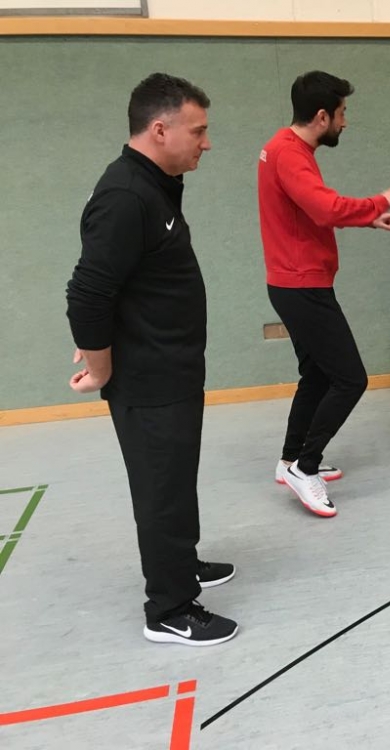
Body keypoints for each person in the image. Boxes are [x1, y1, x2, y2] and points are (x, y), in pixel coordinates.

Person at [66, 73, 237, 646]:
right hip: (147, 378)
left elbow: (125, 281)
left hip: (172, 368)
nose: (207, 142)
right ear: (160, 130)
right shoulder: (125, 196)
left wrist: (106, 331)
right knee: (161, 490)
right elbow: (88, 293)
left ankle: (181, 565)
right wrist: (101, 365)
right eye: (199, 130)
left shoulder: (155, 183)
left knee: (176, 480)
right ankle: (169, 608)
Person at [258, 71, 390, 518]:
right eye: (342, 114)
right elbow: (325, 207)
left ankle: (289, 460)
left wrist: (365, 219)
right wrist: (378, 202)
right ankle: (304, 467)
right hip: (302, 286)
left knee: (318, 376)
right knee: (350, 379)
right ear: (322, 116)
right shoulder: (290, 153)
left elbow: (311, 212)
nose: (345, 122)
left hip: (295, 283)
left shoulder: (283, 147)